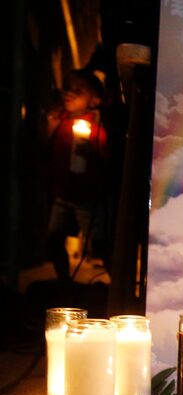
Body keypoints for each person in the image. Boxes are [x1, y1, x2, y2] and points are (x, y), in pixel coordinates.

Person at [44, 68, 110, 282]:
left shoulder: (95, 127)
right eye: (68, 89)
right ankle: (64, 280)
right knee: (54, 238)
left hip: (87, 197)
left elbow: (104, 155)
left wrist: (93, 146)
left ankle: (114, 279)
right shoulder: (61, 121)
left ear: (94, 100)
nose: (69, 94)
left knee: (98, 241)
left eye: (78, 91)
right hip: (62, 192)